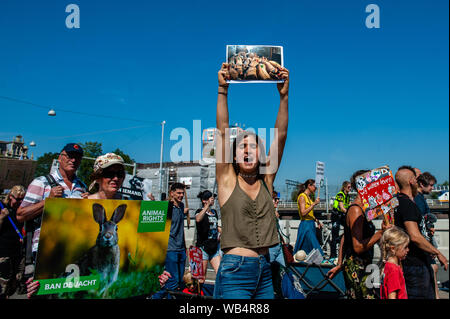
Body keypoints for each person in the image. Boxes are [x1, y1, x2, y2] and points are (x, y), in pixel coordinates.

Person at [213, 62, 289, 299]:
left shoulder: (267, 181)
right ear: (233, 156)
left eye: (254, 146)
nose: (248, 150)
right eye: (242, 146)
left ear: (262, 155)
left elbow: (281, 135)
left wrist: (284, 97)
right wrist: (223, 91)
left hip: (265, 272)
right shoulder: (227, 180)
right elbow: (223, 131)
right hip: (235, 272)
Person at [17, 143, 86, 298]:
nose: (73, 160)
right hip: (44, 253)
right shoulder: (41, 182)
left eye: (77, 157)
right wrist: (47, 201)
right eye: (69, 156)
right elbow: (21, 215)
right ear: (60, 158)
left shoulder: (81, 186)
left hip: (71, 253)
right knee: (44, 294)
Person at [393, 166, 448, 299]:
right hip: (415, 264)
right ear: (412, 181)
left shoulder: (398, 202)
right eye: (417, 179)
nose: (419, 182)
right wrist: (438, 253)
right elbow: (415, 236)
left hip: (411, 262)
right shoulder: (407, 204)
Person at [342, 169, 391, 299]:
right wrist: (381, 232)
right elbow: (357, 246)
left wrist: (338, 264)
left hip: (364, 263)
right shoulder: (357, 210)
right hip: (357, 266)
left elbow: (344, 237)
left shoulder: (363, 209)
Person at [151, 182, 189, 299]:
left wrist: (185, 247)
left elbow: (180, 227)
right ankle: (155, 297)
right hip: (170, 248)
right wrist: (153, 203)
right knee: (172, 281)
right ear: (172, 193)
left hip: (181, 249)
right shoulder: (166, 206)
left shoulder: (181, 206)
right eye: (178, 193)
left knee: (178, 281)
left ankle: (156, 296)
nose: (181, 195)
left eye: (182, 193)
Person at [415, 171, 440, 298]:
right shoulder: (418, 199)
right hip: (423, 241)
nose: (432, 188)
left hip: (425, 240)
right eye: (430, 185)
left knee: (433, 268)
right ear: (421, 184)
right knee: (432, 268)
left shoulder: (420, 198)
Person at [0, 186, 26, 299]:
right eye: (17, 199)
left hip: (17, 251)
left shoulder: (21, 210)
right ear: (10, 197)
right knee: (2, 285)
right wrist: (1, 218)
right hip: (3, 251)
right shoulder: (3, 208)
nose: (20, 202)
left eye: (22, 200)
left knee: (14, 282)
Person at [195, 190, 222, 280]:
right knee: (202, 277)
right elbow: (198, 219)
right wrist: (206, 206)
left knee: (220, 273)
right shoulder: (199, 211)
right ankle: (199, 293)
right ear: (204, 200)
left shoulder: (214, 212)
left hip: (214, 247)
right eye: (210, 198)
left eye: (213, 198)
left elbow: (215, 226)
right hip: (203, 247)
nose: (213, 199)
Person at [294, 179, 323, 255]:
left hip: (311, 224)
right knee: (316, 248)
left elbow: (310, 213)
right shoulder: (302, 197)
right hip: (305, 225)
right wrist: (313, 204)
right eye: (314, 187)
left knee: (308, 248)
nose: (315, 189)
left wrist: (317, 220)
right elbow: (303, 213)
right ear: (309, 186)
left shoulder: (309, 198)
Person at [379, 226, 410, 299]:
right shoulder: (394, 270)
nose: (408, 250)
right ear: (393, 248)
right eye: (405, 247)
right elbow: (392, 296)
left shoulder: (388, 265)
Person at [330, 181, 351, 259]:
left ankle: (342, 240)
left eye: (350, 187)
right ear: (344, 187)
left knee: (348, 229)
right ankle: (332, 255)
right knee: (334, 235)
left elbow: (348, 205)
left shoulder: (348, 196)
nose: (350, 188)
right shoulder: (340, 195)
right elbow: (342, 207)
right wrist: (348, 212)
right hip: (336, 215)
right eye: (349, 187)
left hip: (342, 216)